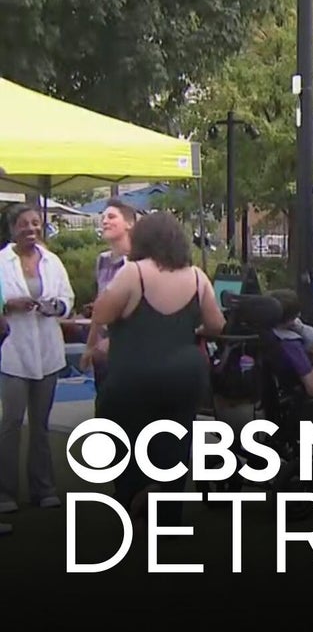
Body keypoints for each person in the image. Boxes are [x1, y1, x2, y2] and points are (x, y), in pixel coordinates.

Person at [92, 211, 226, 524]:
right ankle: (168, 513)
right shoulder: (197, 277)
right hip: (185, 374)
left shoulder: (134, 273)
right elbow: (217, 325)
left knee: (125, 438)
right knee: (175, 441)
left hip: (134, 373)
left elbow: (103, 314)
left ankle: (133, 500)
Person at [0, 205, 74, 516]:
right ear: (12, 229)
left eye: (35, 223)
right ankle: (5, 492)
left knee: (41, 425)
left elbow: (68, 299)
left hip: (47, 351)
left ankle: (43, 488)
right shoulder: (2, 262)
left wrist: (56, 307)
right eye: (24, 224)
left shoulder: (52, 261)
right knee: (11, 423)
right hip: (14, 352)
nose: (31, 229)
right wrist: (8, 304)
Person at [81, 198, 137, 398]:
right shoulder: (102, 260)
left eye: (111, 217)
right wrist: (90, 346)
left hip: (130, 349)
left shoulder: (137, 262)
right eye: (103, 217)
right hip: (103, 350)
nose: (105, 221)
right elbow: (100, 307)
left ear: (129, 223)